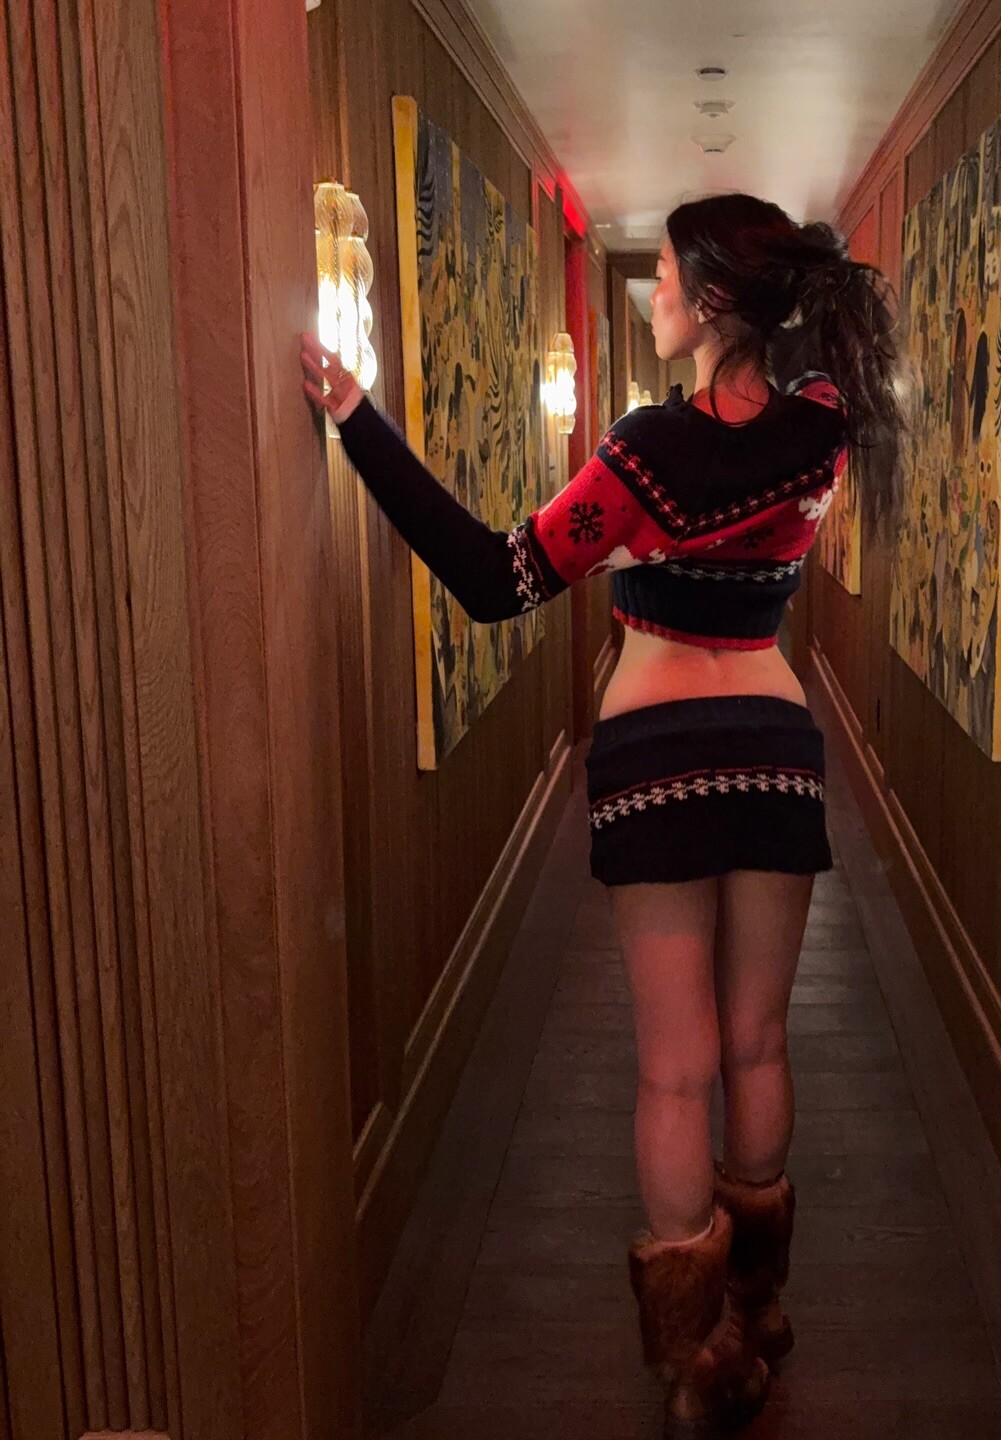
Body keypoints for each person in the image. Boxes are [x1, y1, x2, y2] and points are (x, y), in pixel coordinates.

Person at [301, 191, 904, 1438]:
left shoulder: (642, 455)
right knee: (759, 1046)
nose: (657, 295)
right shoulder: (826, 429)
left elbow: (494, 577)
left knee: (676, 1068)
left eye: (671, 277)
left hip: (657, 749)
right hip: (776, 743)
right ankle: (761, 1309)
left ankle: (700, 1358)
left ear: (717, 299)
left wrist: (359, 421)